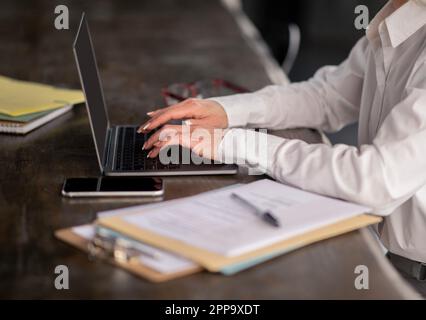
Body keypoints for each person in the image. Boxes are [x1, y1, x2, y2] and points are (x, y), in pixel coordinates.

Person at [139, 0, 426, 295]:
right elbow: (327, 96)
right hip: (397, 263)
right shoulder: (404, 17)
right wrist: (224, 111)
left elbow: (374, 179)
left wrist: (232, 142)